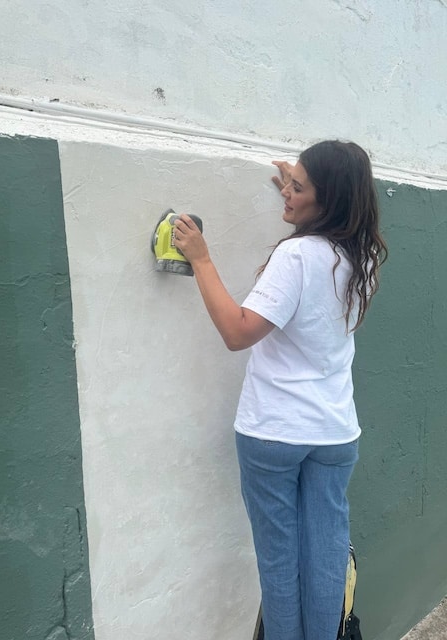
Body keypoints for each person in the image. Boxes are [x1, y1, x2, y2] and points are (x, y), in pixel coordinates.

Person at [173, 140, 387, 640]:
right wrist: (302, 182)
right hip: (334, 436)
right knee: (327, 552)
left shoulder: (297, 255)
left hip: (274, 434)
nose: (287, 193)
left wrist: (201, 259)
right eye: (287, 185)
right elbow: (330, 214)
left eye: (299, 188)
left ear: (327, 197)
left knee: (279, 561)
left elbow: (238, 332)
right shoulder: (363, 254)